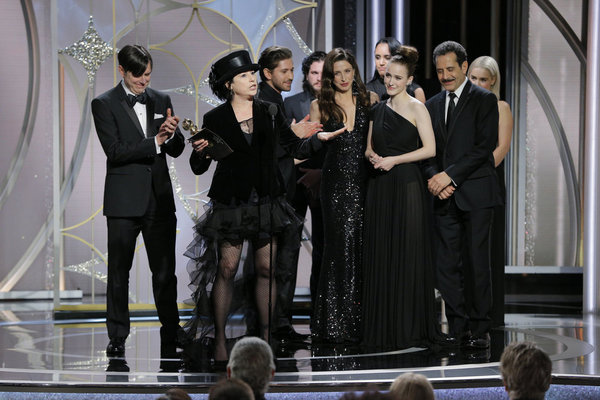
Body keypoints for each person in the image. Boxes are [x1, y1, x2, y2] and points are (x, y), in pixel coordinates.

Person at [183, 50, 344, 365]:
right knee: (226, 269)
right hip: (232, 202)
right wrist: (201, 152)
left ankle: (267, 338)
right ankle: (219, 340)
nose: (251, 79)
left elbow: (292, 145)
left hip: (266, 201)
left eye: (252, 74)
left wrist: (319, 138)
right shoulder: (215, 118)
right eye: (244, 76)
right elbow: (199, 166)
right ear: (229, 84)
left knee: (267, 269)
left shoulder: (270, 110)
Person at [91, 44, 185, 359]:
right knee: (119, 271)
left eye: (147, 74)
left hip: (158, 200)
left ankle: (171, 328)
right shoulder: (103, 104)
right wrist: (154, 141)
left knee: (164, 271)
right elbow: (115, 151)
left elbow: (175, 149)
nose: (144, 81)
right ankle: (117, 335)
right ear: (122, 71)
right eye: (137, 75)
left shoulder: (161, 100)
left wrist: (171, 136)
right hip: (122, 202)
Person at [362, 47, 442, 350]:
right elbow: (368, 146)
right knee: (382, 254)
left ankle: (408, 329)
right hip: (380, 188)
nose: (390, 81)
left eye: (397, 77)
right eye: (387, 76)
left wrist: (395, 160)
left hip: (407, 187)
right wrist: (373, 156)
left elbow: (430, 149)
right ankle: (384, 329)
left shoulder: (416, 107)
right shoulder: (377, 108)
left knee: (407, 255)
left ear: (409, 79)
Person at [424, 41, 501, 349]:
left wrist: (450, 175)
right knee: (446, 264)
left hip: (477, 194)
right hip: (443, 195)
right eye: (440, 71)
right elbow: (428, 151)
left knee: (476, 262)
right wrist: (434, 177)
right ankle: (457, 326)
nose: (445, 76)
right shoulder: (430, 105)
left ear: (465, 67)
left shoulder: (484, 100)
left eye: (451, 69)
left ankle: (480, 326)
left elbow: (483, 148)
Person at [309, 48, 379, 343]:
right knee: (337, 250)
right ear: (329, 76)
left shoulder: (370, 100)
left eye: (347, 71)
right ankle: (335, 325)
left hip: (365, 183)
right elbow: (309, 148)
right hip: (335, 185)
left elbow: (375, 144)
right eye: (336, 73)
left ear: (355, 72)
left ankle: (363, 323)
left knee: (362, 249)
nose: (342, 78)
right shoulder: (319, 105)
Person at [256, 45, 308, 343]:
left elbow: (287, 152)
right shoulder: (264, 104)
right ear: (267, 73)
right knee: (268, 267)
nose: (291, 76)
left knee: (282, 265)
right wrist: (299, 138)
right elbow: (268, 153)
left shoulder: (276, 101)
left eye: (291, 70)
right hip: (270, 198)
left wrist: (309, 139)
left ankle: (278, 326)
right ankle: (267, 329)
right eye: (284, 71)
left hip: (285, 195)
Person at [468, 55, 513, 328]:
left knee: (488, 251)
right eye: (473, 78)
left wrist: (474, 173)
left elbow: (502, 149)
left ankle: (491, 317)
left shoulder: (500, 107)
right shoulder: (463, 107)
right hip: (463, 185)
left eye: (483, 79)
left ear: (493, 80)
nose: (477, 84)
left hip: (488, 183)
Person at [284, 50, 327, 312]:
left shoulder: (337, 101)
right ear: (306, 75)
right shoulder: (290, 103)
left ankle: (319, 311)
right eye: (314, 72)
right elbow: (287, 146)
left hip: (325, 181)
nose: (319, 78)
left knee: (323, 247)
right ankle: (283, 318)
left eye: (323, 73)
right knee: (290, 248)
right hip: (297, 181)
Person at [366, 37, 426, 103]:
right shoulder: (368, 90)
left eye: (387, 58)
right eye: (377, 57)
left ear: (397, 59)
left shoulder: (416, 91)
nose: (381, 63)